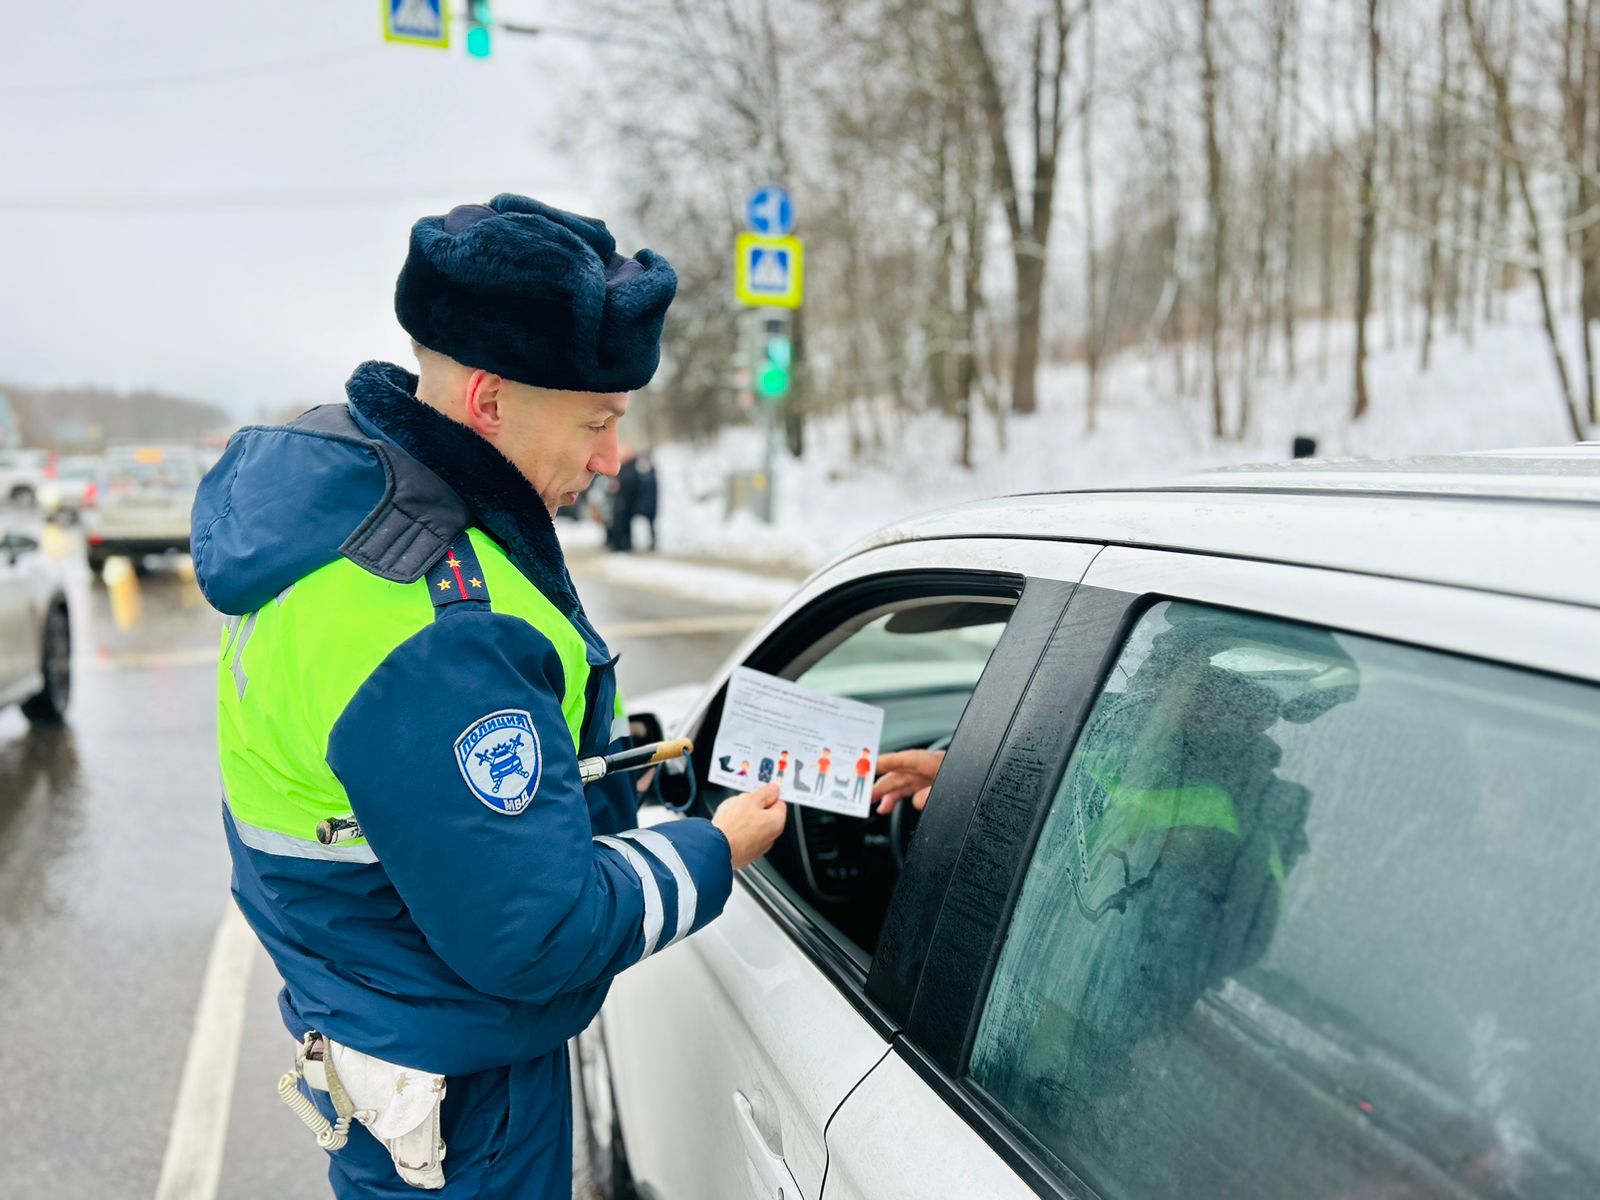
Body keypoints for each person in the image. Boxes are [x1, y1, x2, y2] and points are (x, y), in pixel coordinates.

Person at [191, 193, 787, 1199]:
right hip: (464, 1102)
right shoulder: (442, 624)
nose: (610, 460)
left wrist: (614, 763)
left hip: (376, 1014)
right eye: (597, 421)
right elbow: (540, 933)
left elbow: (420, 781)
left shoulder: (345, 509)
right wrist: (715, 849)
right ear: (490, 401)